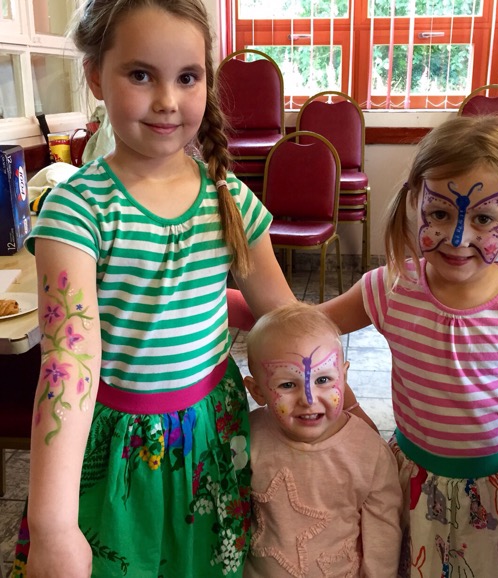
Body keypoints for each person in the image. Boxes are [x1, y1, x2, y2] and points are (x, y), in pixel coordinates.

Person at [10, 1, 297, 577]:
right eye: (141, 74)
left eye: (187, 77)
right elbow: (69, 359)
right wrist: (52, 524)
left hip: (212, 444)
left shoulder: (229, 198)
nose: (168, 100)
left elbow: (286, 322)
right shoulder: (77, 209)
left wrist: (369, 316)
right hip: (116, 453)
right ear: (95, 76)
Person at [320, 115, 498, 578]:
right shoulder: (390, 288)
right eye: (440, 214)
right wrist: (231, 304)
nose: (458, 238)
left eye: (483, 218)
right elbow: (310, 326)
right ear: (415, 201)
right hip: (414, 488)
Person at [242, 302, 403, 577]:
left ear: (344, 376)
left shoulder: (370, 452)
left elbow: (383, 538)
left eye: (323, 380)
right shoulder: (247, 439)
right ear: (257, 391)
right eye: (287, 385)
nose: (308, 399)